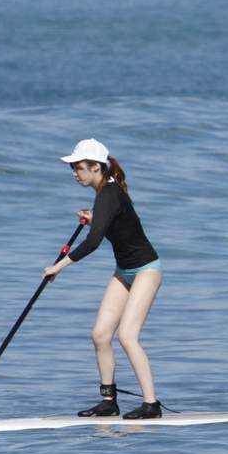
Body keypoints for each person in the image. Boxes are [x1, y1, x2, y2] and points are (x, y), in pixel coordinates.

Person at [43, 139, 164, 419]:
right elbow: (114, 221)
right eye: (72, 168)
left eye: (78, 167)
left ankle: (151, 405)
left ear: (95, 167)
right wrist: (95, 217)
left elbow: (94, 241)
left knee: (127, 336)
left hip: (146, 270)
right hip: (124, 272)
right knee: (100, 335)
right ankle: (109, 401)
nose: (74, 173)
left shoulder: (108, 193)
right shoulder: (105, 194)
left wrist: (58, 266)